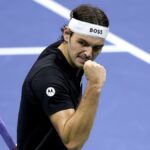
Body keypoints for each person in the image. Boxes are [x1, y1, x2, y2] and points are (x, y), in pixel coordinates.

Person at [17, 4, 109, 150]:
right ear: (67, 34)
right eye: (82, 43)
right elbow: (73, 142)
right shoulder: (49, 77)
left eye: (96, 47)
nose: (88, 54)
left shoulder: (68, 55)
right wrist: (94, 86)